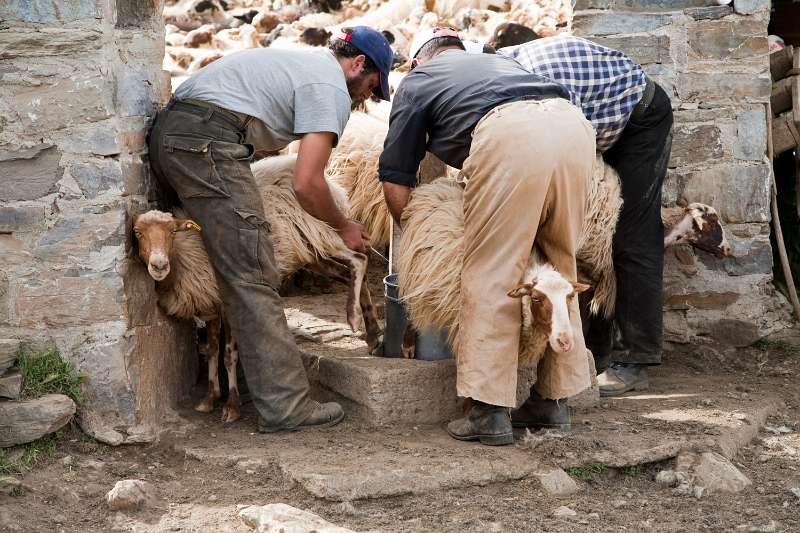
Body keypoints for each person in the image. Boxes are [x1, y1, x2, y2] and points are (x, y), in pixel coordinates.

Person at [148, 26, 393, 432]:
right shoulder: (330, 87)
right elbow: (307, 183)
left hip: (175, 134)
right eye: (373, 84)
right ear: (358, 63)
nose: (370, 95)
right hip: (207, 143)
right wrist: (344, 225)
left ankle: (235, 377)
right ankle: (286, 406)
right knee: (254, 268)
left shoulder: (300, 63)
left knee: (226, 257)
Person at [379, 28, 596, 445]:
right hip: (572, 127)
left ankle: (488, 410)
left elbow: (394, 180)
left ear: (417, 61)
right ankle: (554, 400)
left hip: (510, 136)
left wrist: (420, 237)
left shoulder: (419, 80)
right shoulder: (501, 64)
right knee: (560, 270)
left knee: (492, 272)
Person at [499, 35, 674, 397]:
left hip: (638, 120)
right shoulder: (505, 74)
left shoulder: (541, 84)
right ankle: (596, 351)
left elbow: (566, 146)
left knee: (630, 234)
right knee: (585, 240)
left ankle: (635, 360)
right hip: (600, 126)